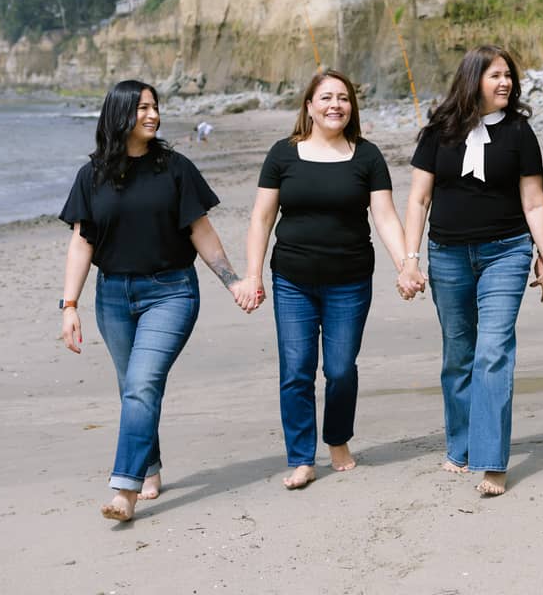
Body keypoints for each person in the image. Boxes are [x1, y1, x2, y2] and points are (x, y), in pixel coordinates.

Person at [58, 79, 245, 522]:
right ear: (120, 113)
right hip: (114, 297)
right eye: (142, 107)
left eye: (155, 106)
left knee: (141, 384)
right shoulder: (93, 176)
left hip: (171, 292)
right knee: (134, 389)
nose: (152, 114)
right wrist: (69, 306)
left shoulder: (174, 168)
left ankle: (123, 488)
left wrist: (232, 281)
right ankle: (150, 468)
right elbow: (82, 243)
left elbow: (200, 231)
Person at [398, 46, 543, 496]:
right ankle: (461, 444)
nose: (505, 83)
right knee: (458, 354)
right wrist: (410, 260)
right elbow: (418, 200)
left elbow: (533, 200)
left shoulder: (520, 132)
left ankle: (491, 459)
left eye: (508, 75)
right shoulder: (438, 132)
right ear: (472, 80)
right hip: (447, 255)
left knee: (493, 350)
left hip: (506, 253)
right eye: (495, 76)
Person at [236, 70, 407, 490]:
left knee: (341, 369)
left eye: (343, 98)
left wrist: (406, 263)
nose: (336, 105)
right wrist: (253, 274)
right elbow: (261, 218)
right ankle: (300, 458)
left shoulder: (367, 156)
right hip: (292, 280)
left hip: (349, 281)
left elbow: (384, 216)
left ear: (352, 107)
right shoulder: (283, 154)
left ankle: (337, 439)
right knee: (296, 370)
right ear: (309, 106)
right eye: (326, 97)